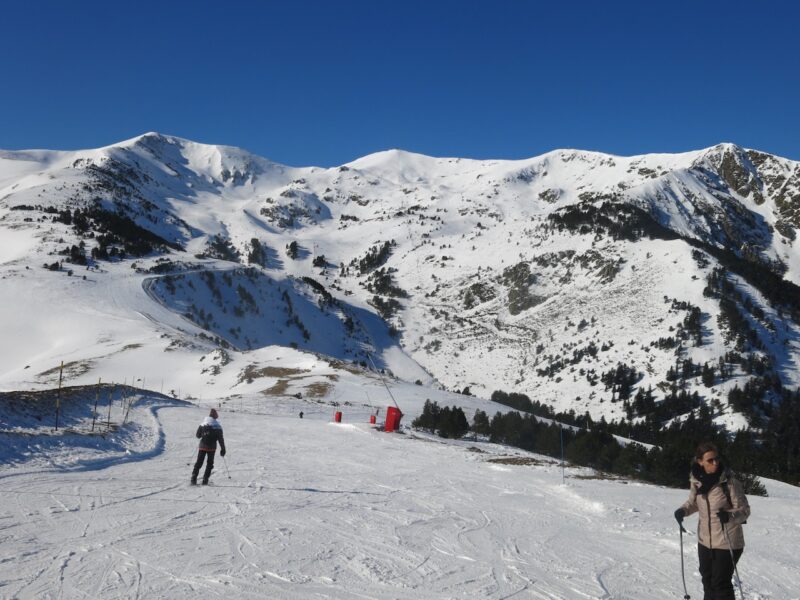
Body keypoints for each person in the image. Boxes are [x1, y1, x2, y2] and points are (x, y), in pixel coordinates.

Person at [674, 442, 750, 600]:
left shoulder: (729, 482)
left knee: (720, 584)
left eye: (716, 459)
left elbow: (744, 510)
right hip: (705, 541)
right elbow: (694, 502)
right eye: (710, 460)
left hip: (727, 541)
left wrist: (729, 516)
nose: (715, 462)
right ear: (700, 461)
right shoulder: (697, 480)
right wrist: (683, 510)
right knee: (707, 581)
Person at [191, 408, 226, 485]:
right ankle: (205, 479)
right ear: (215, 417)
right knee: (209, 463)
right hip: (212, 448)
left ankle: (193, 477)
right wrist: (223, 449)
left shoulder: (202, 424)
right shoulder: (218, 426)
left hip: (202, 446)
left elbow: (197, 436)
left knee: (199, 462)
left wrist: (204, 434)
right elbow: (221, 439)